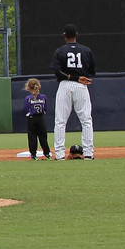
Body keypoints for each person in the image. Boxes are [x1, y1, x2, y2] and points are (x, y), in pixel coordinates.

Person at [51, 24, 95, 160]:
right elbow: (92, 70)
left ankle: (59, 154)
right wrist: (79, 77)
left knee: (60, 121)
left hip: (65, 85)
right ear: (76, 34)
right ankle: (88, 153)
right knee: (86, 120)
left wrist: (71, 76)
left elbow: (57, 70)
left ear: (64, 36)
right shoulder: (86, 50)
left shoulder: (59, 51)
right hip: (81, 86)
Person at [23, 77, 51, 160]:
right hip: (41, 118)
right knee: (43, 137)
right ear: (39, 86)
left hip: (31, 118)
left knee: (32, 137)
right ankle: (47, 154)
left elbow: (25, 109)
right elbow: (45, 108)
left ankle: (33, 155)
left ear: (28, 87)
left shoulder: (28, 98)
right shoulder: (43, 97)